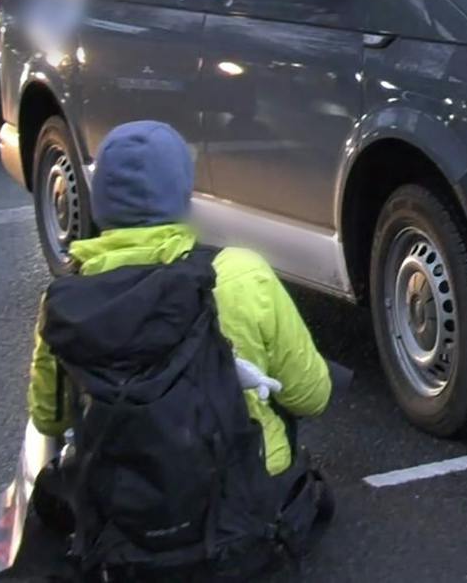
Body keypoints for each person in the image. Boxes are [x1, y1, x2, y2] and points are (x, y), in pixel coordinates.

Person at [28, 121, 334, 579]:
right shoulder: (239, 273)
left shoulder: (68, 299)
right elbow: (313, 396)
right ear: (184, 196)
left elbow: (48, 419)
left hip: (124, 519)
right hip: (240, 515)